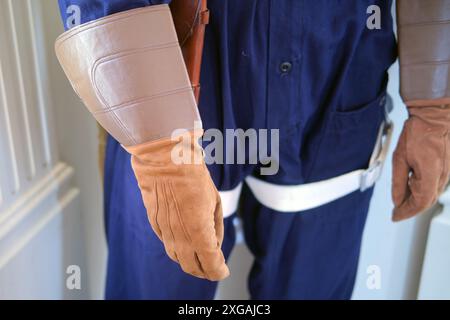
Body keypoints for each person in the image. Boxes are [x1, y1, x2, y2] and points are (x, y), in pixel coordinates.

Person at [55, 0, 450, 299]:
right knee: (159, 283)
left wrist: (435, 108)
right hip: (174, 66)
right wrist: (158, 147)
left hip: (336, 68)